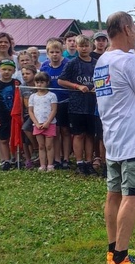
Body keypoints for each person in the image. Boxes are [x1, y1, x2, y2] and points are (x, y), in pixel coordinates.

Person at [94, 11, 135, 264]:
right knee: (133, 197)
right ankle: (121, 259)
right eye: (133, 28)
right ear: (125, 28)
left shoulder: (104, 59)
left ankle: (114, 249)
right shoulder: (129, 63)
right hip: (133, 139)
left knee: (114, 195)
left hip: (114, 139)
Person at [59, 35, 101, 176]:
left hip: (92, 104)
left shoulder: (96, 63)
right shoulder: (72, 63)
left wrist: (98, 88)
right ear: (76, 47)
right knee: (78, 135)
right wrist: (77, 86)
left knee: (90, 135)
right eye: (81, 46)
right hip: (76, 104)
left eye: (86, 45)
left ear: (90, 47)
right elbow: (61, 81)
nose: (84, 48)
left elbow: (102, 80)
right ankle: (79, 163)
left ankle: (89, 162)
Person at [40, 38, 71, 169]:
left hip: (65, 101)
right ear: (47, 53)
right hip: (50, 105)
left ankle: (66, 158)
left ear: (61, 52)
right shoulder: (44, 66)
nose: (54, 54)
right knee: (55, 131)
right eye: (51, 52)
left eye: (57, 51)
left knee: (65, 131)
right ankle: (57, 159)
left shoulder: (68, 64)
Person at [0, 60, 19, 170]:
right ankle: (6, 160)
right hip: (1, 115)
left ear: (14, 71)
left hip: (14, 116)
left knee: (15, 137)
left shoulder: (16, 83)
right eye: (4, 69)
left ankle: (15, 158)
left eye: (9, 70)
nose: (6, 72)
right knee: (3, 139)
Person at [29, 70, 59, 171]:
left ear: (47, 82)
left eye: (42, 82)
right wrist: (36, 123)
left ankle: (50, 164)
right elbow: (31, 111)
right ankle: (42, 165)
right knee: (41, 146)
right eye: (37, 82)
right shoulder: (32, 97)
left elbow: (54, 110)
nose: (39, 84)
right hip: (37, 125)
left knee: (49, 145)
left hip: (49, 124)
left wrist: (47, 122)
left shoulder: (52, 95)